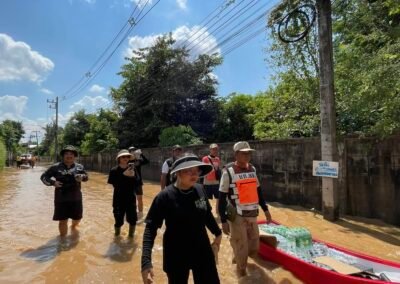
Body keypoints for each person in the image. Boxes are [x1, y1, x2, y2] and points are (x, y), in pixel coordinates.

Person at [141, 154, 222, 284]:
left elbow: (207, 215)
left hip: (202, 249)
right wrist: (145, 262)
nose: (194, 175)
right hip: (176, 253)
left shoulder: (200, 189)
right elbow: (150, 229)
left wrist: (218, 233)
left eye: (197, 171)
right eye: (188, 171)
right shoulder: (164, 197)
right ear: (178, 173)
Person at [218, 141, 272, 277]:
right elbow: (222, 197)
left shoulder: (252, 169)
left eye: (249, 153)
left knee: (254, 243)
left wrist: (265, 209)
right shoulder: (228, 172)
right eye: (244, 153)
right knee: (242, 245)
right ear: (236, 154)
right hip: (236, 215)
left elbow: (258, 191)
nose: (247, 156)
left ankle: (236, 258)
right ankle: (241, 274)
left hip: (252, 213)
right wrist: (223, 220)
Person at [40, 145, 88, 237]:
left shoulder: (80, 167)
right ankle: (62, 241)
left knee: (77, 219)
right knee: (62, 221)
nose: (69, 156)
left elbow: (86, 178)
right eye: (66, 154)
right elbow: (43, 177)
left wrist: (82, 178)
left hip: (76, 198)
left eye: (71, 154)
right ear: (63, 156)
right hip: (61, 199)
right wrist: (53, 182)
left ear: (75, 156)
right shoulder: (55, 167)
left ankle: (73, 227)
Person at [107, 149, 138, 238]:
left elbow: (138, 183)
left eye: (127, 156)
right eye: (123, 157)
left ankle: (131, 237)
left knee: (132, 220)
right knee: (118, 221)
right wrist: (124, 175)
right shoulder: (114, 170)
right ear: (119, 158)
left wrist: (132, 177)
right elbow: (114, 184)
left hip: (131, 198)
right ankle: (116, 237)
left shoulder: (133, 169)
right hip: (118, 199)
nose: (125, 158)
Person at [129, 146, 150, 221]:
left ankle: (140, 214)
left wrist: (141, 154)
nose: (133, 152)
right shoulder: (127, 160)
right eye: (131, 151)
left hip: (138, 182)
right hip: (129, 183)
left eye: (134, 150)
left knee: (140, 199)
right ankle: (130, 213)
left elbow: (147, 161)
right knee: (130, 199)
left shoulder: (139, 160)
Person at [202, 143, 222, 216]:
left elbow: (218, 168)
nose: (215, 150)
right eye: (213, 149)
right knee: (206, 198)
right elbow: (203, 169)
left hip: (216, 181)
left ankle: (217, 211)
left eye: (216, 149)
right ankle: (207, 212)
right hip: (207, 182)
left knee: (218, 197)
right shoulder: (205, 158)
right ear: (210, 150)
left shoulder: (217, 159)